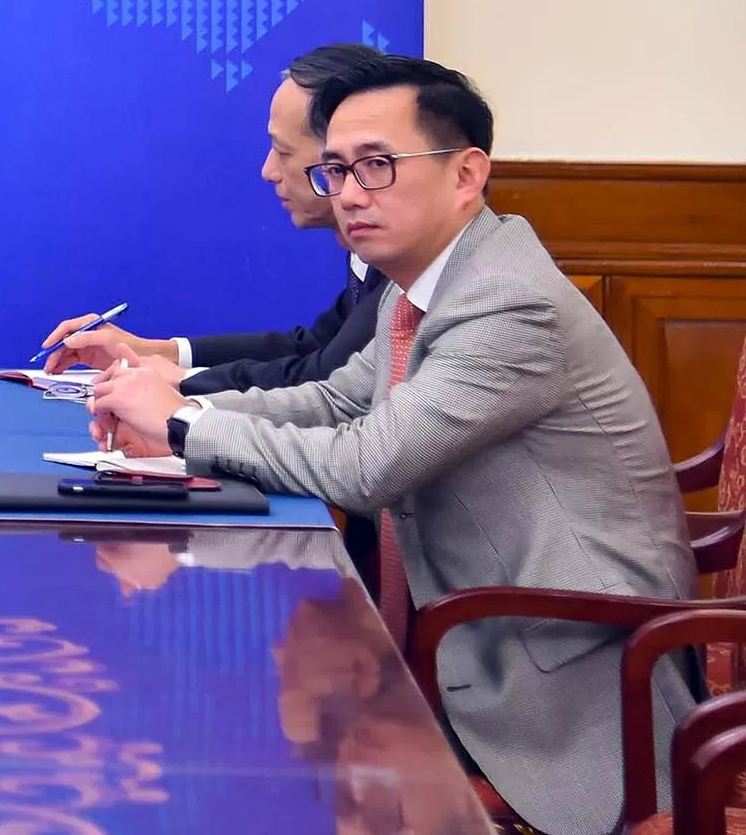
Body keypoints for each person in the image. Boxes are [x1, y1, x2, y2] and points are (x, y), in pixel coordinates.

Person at [88, 53, 692, 835]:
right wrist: (168, 407)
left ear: (467, 174)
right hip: (471, 641)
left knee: (259, 772)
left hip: (564, 680)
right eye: (335, 170)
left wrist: (181, 422)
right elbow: (333, 399)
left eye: (377, 166)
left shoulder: (508, 306)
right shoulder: (429, 289)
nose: (348, 194)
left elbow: (365, 465)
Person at [41, 42, 390, 396]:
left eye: (283, 152)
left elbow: (326, 375)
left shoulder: (401, 260)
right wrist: (154, 353)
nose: (268, 171)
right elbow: (315, 346)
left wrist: (183, 385)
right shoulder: (366, 252)